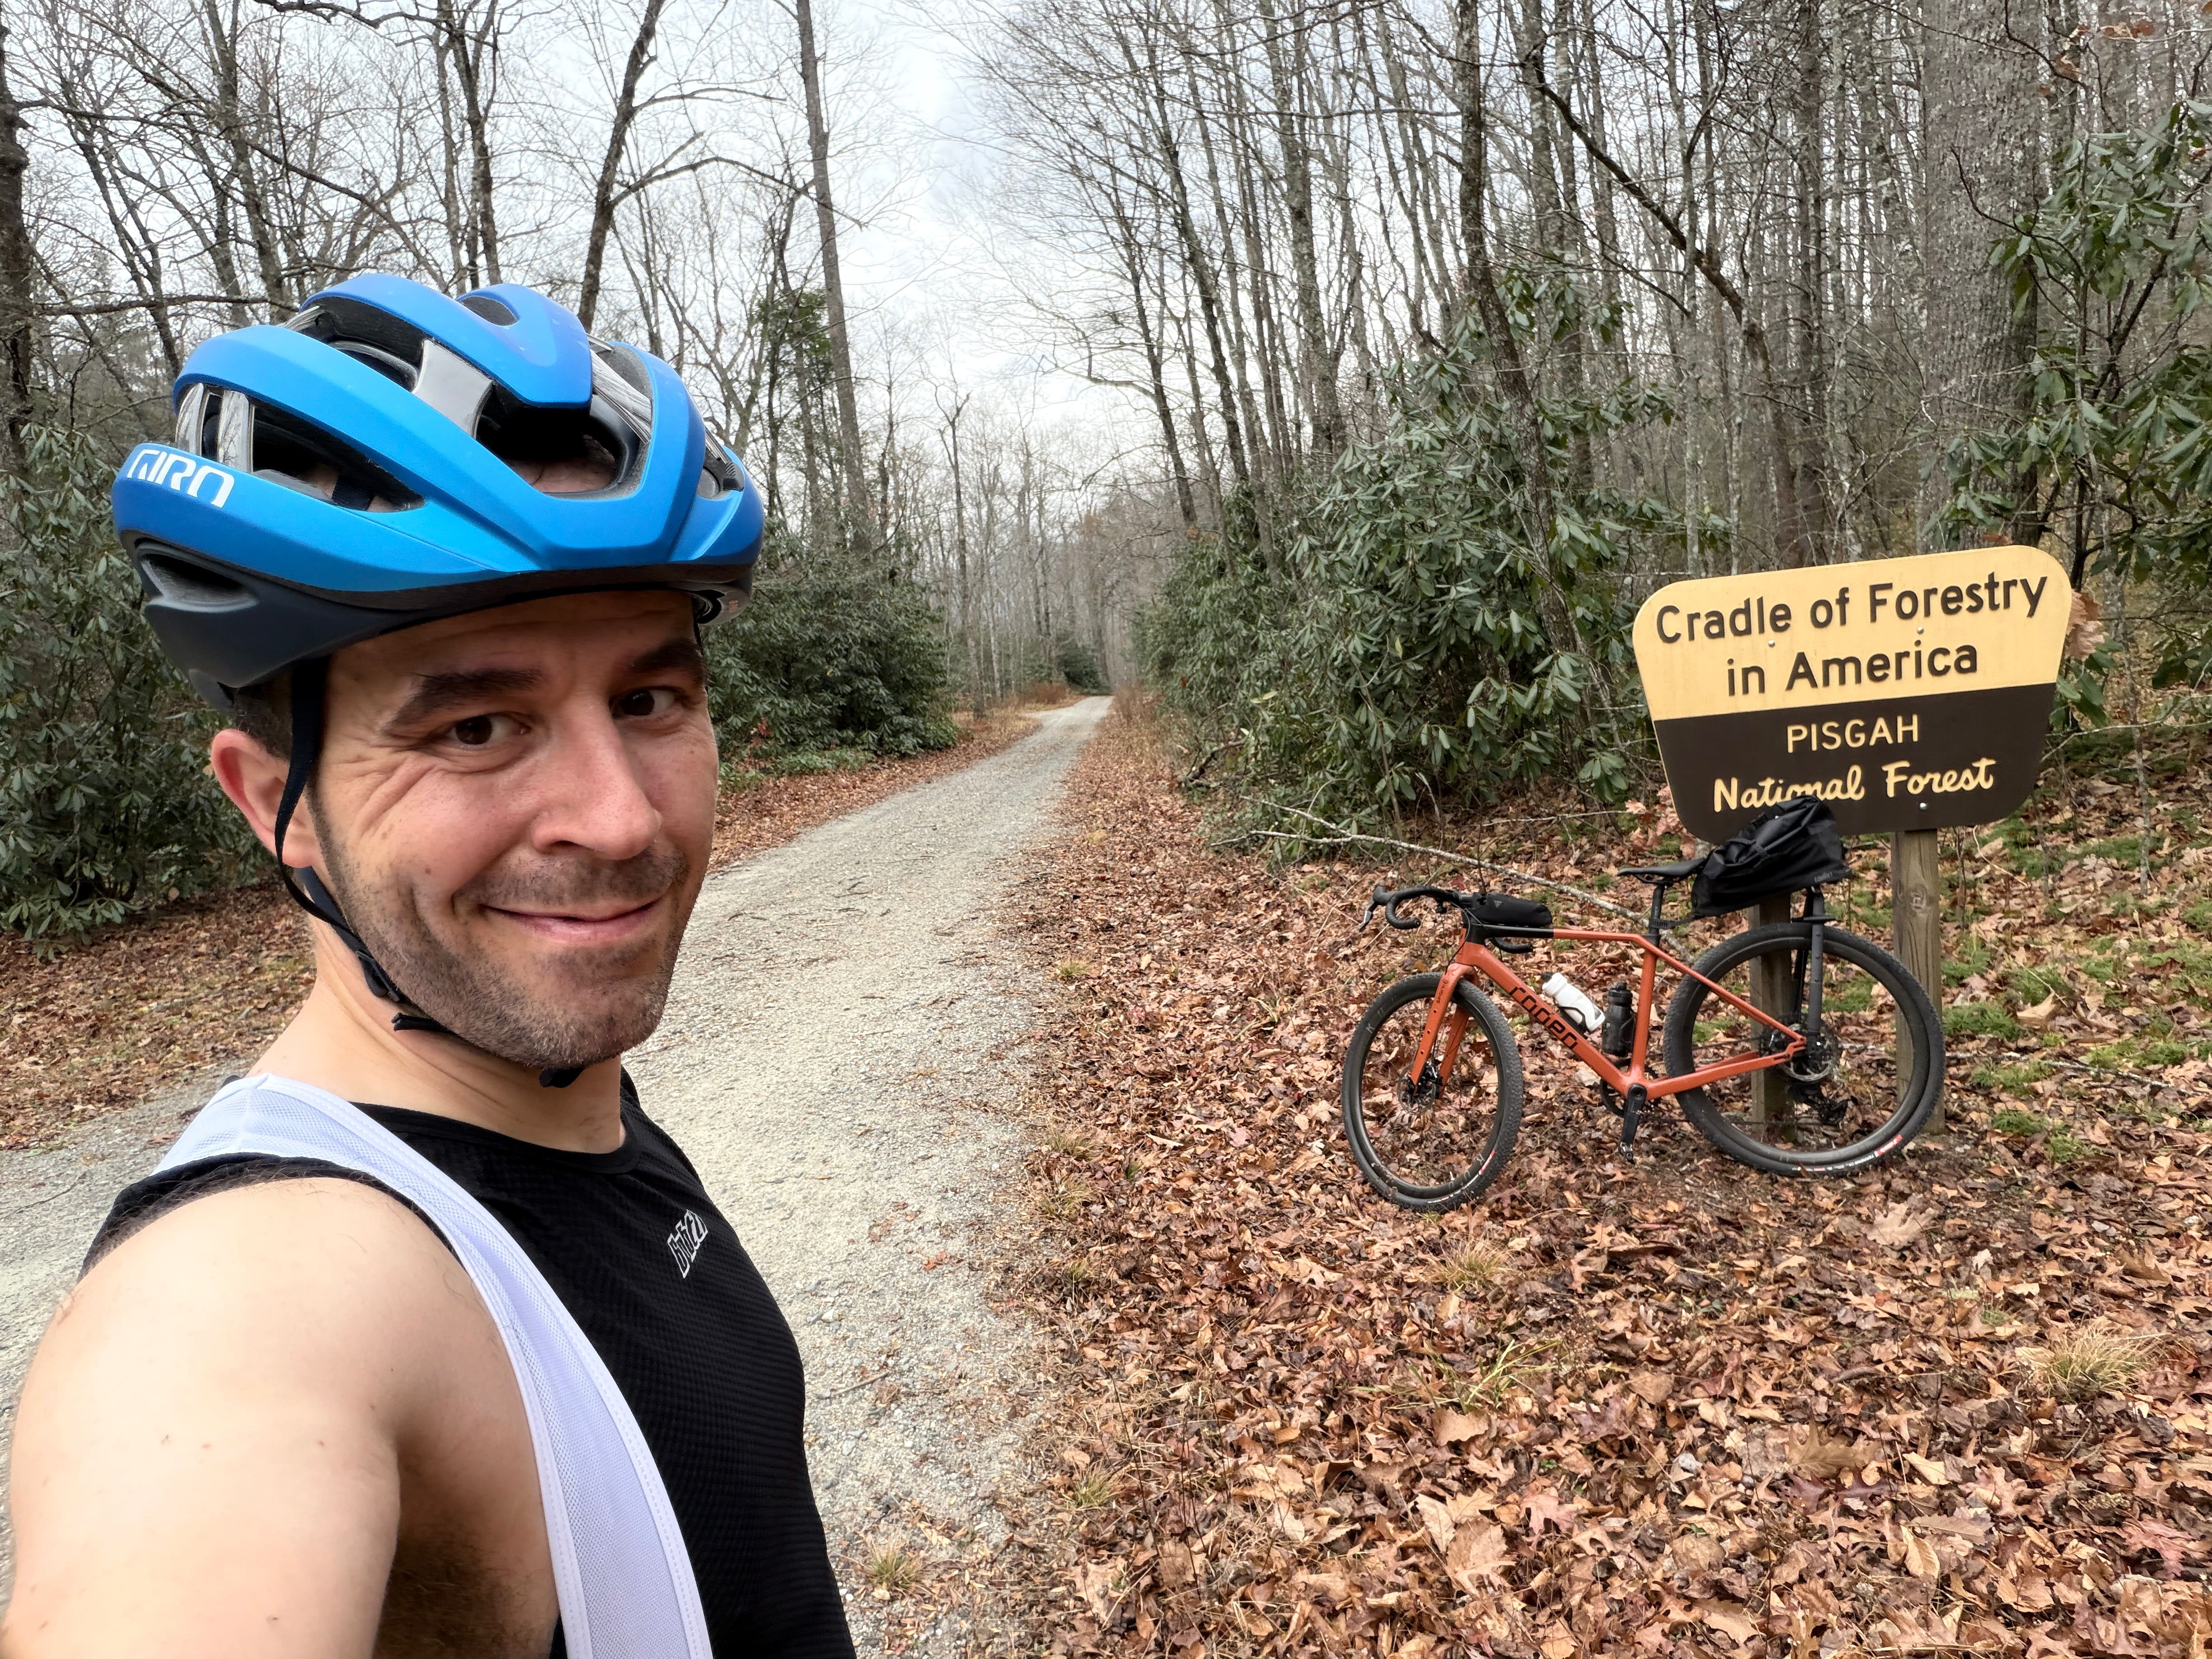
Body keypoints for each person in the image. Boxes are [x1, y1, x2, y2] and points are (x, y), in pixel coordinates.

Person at [0, 276, 854, 1658]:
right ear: (271, 804)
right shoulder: (247, 1300)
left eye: (649, 699)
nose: (623, 818)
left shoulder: (558, 1108)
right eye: (474, 729)